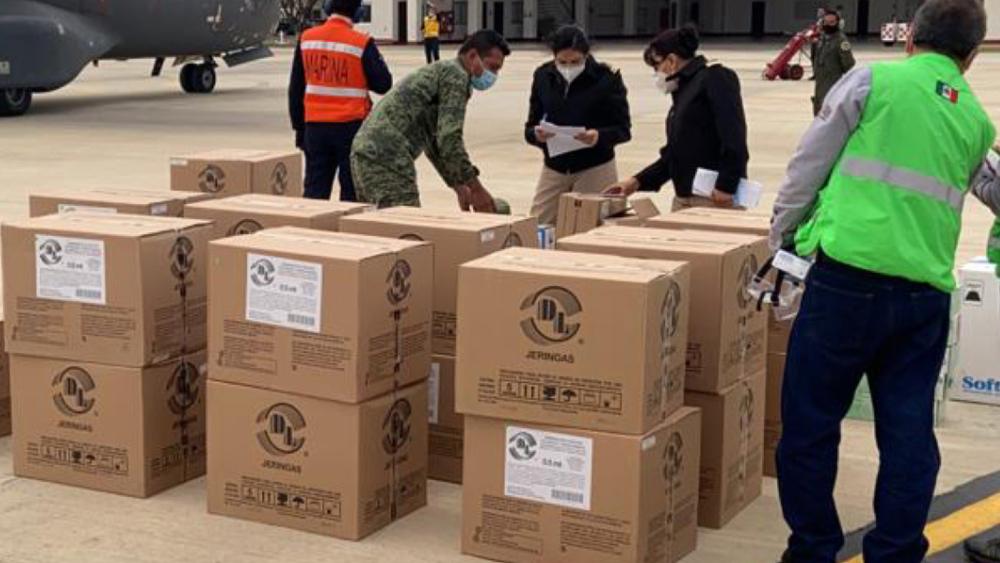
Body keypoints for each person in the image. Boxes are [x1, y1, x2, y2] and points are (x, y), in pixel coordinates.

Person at [768, 1, 999, 562]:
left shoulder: (871, 80)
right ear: (970, 58)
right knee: (908, 435)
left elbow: (809, 163)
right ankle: (895, 552)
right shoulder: (974, 116)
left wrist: (780, 235)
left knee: (809, 425)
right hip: (923, 297)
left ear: (910, 37)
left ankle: (814, 550)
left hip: (847, 284)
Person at [350, 29, 509, 211]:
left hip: (365, 152)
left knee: (376, 227)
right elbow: (449, 139)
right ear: (473, 56)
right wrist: (476, 189)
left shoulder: (443, 71)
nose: (493, 75)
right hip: (387, 156)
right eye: (493, 67)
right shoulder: (456, 76)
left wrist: (459, 187)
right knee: (403, 227)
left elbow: (435, 143)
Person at [603, 25, 749, 210]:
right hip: (685, 197)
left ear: (671, 60)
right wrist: (636, 182)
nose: (656, 73)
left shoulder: (715, 78)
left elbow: (734, 138)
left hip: (714, 197)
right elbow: (676, 154)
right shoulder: (684, 91)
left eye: (657, 66)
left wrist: (726, 185)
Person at [525, 25, 631, 226]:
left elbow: (623, 130)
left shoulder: (607, 80)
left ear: (587, 55)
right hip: (555, 165)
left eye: (575, 62)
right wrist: (536, 135)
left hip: (595, 165)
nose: (568, 67)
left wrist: (598, 136)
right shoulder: (542, 76)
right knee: (539, 222)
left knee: (592, 225)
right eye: (562, 62)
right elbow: (530, 125)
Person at [288, 0, 392, 202]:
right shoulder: (361, 43)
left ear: (327, 9)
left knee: (314, 193)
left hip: (315, 128)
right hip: (350, 129)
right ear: (358, 12)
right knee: (352, 194)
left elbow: (296, 90)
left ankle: (309, 231)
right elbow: (383, 83)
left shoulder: (307, 39)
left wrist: (299, 130)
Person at [812, 7, 855, 116]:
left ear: (838, 23)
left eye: (832, 22)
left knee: (829, 115)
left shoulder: (841, 40)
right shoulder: (822, 39)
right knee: (818, 113)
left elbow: (849, 63)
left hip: (833, 84)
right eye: (826, 22)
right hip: (820, 84)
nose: (828, 25)